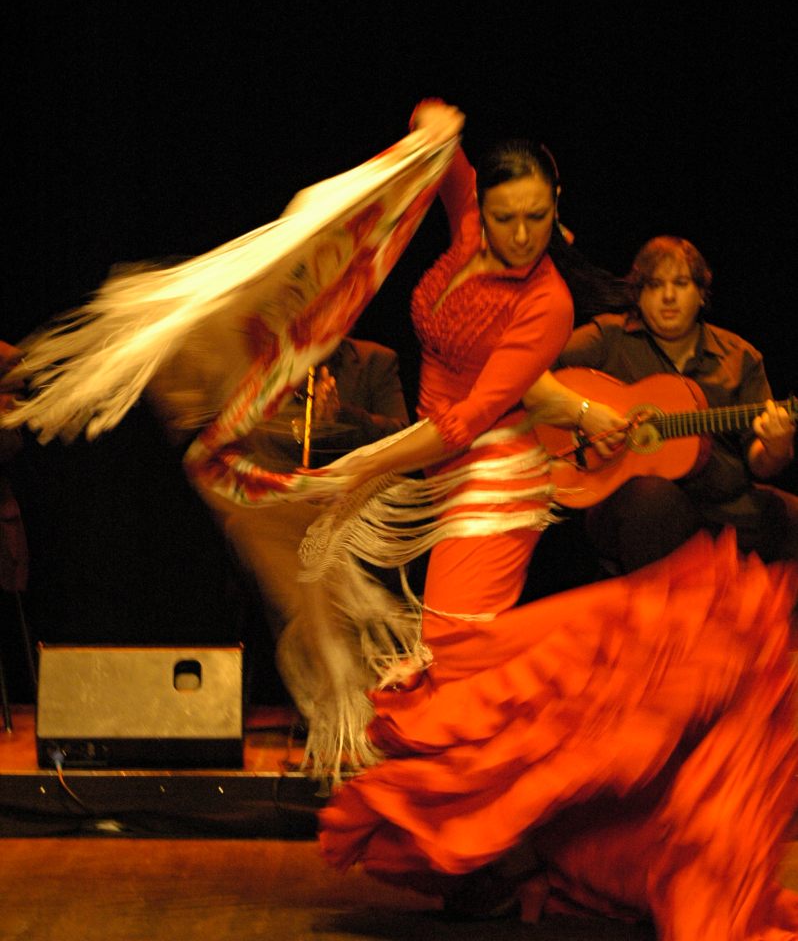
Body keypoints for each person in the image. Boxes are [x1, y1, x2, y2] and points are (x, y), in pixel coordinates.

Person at [302, 102, 798, 936]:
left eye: (539, 218)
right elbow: (444, 159)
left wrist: (354, 471)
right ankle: (512, 850)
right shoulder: (468, 233)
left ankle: (513, 850)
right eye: (506, 216)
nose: (523, 234)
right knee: (462, 673)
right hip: (442, 473)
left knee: (458, 670)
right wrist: (433, 126)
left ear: (557, 205)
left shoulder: (549, 307)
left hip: (494, 475)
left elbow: (469, 420)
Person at [147, 335, 409, 699]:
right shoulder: (267, 366)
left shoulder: (374, 360)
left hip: (355, 503)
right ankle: (326, 683)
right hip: (288, 502)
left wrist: (343, 415)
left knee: (322, 545)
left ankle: (344, 685)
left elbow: (402, 434)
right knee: (265, 534)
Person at [544, 235, 798, 574]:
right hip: (634, 505)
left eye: (680, 284)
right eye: (654, 285)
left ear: (701, 293)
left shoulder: (740, 357)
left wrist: (777, 447)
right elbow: (531, 371)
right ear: (638, 293)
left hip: (725, 506)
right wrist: (583, 413)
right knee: (654, 502)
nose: (668, 297)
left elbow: (761, 464)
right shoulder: (608, 338)